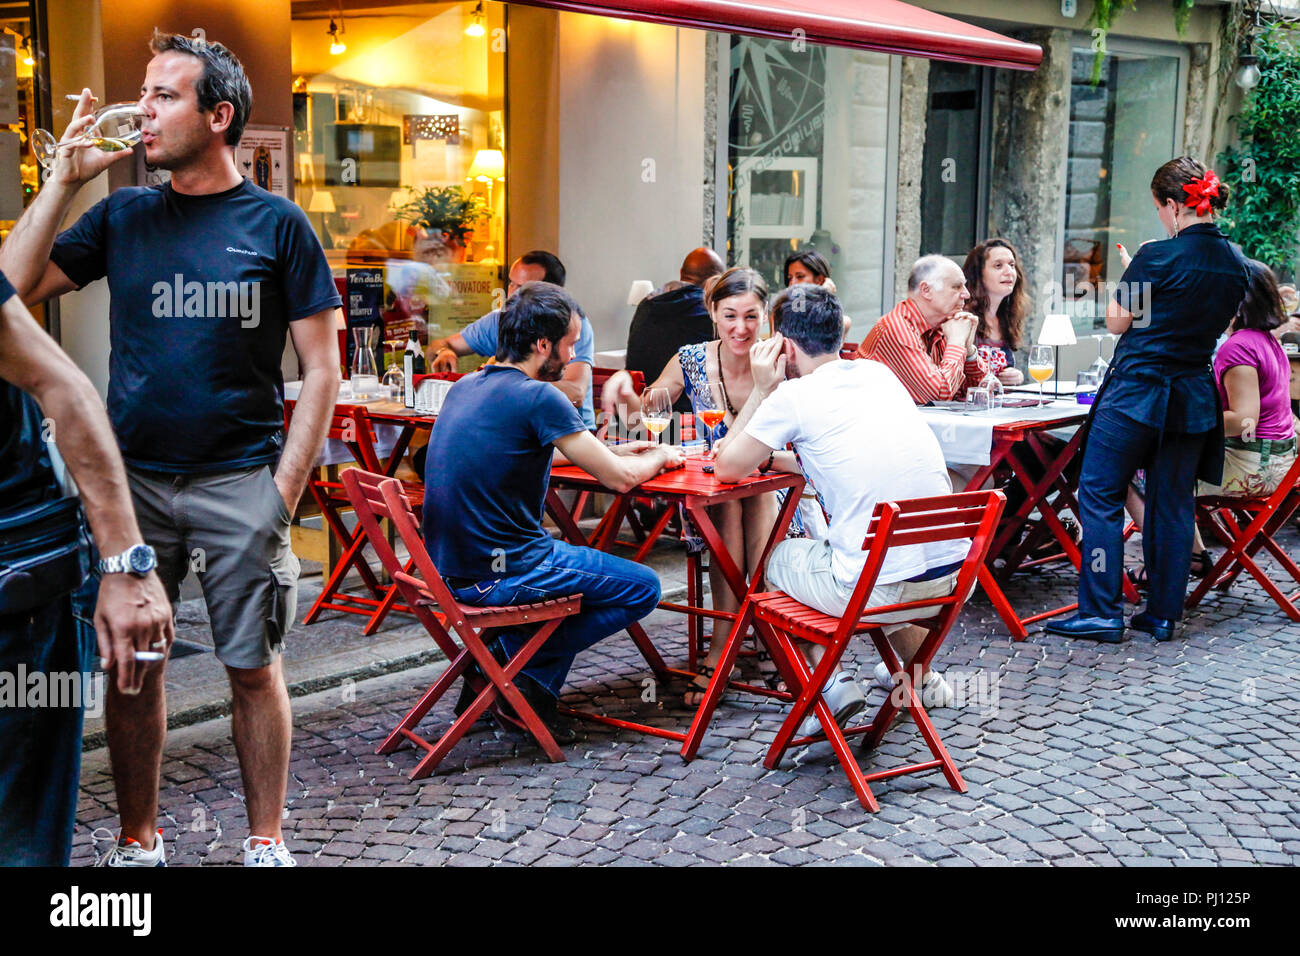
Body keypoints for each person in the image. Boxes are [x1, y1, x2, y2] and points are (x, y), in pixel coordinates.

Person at [0, 32, 342, 866]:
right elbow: (9, 290)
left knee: (253, 667)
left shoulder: (278, 225)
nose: (140, 111)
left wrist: (281, 498)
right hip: (135, 488)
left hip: (240, 482)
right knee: (134, 671)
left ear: (218, 116)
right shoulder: (123, 214)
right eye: (144, 93)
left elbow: (323, 368)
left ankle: (266, 841)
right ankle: (137, 841)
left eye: (162, 96)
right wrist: (63, 182)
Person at [422, 282, 683, 742]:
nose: (571, 353)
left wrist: (614, 450)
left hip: (451, 573)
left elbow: (526, 448)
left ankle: (513, 679)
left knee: (574, 583)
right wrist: (659, 457)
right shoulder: (538, 396)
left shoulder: (465, 388)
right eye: (568, 343)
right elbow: (620, 481)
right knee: (643, 587)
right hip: (506, 571)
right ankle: (515, 669)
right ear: (543, 345)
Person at [715, 285, 965, 735]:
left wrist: (762, 388)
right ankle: (920, 677)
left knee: (772, 563)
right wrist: (774, 457)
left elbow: (727, 468)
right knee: (877, 555)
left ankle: (829, 684)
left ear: (784, 345)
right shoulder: (879, 374)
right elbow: (850, 456)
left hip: (878, 591)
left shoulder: (794, 397)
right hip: (948, 579)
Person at [0, 272, 173, 866]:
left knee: (16, 838)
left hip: (16, 587)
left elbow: (64, 384)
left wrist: (125, 565)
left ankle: (142, 841)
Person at [1047, 158, 1250, 645]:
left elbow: (1118, 323)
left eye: (1161, 208)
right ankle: (1163, 614)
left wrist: (1136, 269)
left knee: (1098, 494)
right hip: (1192, 396)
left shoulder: (1155, 255)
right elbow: (1210, 326)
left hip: (1138, 390)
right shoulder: (1237, 263)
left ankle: (1100, 611)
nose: (1161, 216)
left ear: (1176, 206)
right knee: (1174, 502)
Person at [603, 267, 782, 702]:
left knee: (752, 498)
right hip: (714, 487)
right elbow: (649, 411)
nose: (741, 328)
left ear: (766, 317)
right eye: (730, 316)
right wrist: (627, 391)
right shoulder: (693, 358)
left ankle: (731, 643)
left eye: (752, 317)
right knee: (726, 502)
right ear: (712, 313)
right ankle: (758, 642)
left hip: (778, 485)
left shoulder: (780, 360)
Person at [428, 250, 596, 430]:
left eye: (523, 288)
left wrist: (503, 387)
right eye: (511, 283)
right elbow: (437, 346)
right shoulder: (499, 320)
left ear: (551, 293)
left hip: (568, 428)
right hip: (517, 426)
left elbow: (576, 394)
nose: (512, 293)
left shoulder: (571, 325)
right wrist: (444, 352)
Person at [858, 255, 988, 403]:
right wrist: (957, 341)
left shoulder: (944, 325)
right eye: (957, 287)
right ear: (926, 290)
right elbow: (937, 398)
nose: (966, 294)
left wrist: (969, 350)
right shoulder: (897, 327)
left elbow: (982, 393)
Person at [625, 246, 724, 414]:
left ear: (681, 272)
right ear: (714, 281)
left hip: (643, 412)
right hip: (688, 419)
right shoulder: (705, 311)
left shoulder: (647, 304)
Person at [963, 238, 1027, 386]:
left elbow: (1005, 371)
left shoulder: (1007, 317)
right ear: (979, 274)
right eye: (998, 266)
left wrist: (1016, 376)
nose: (1009, 272)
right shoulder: (965, 318)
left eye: (1012, 265)